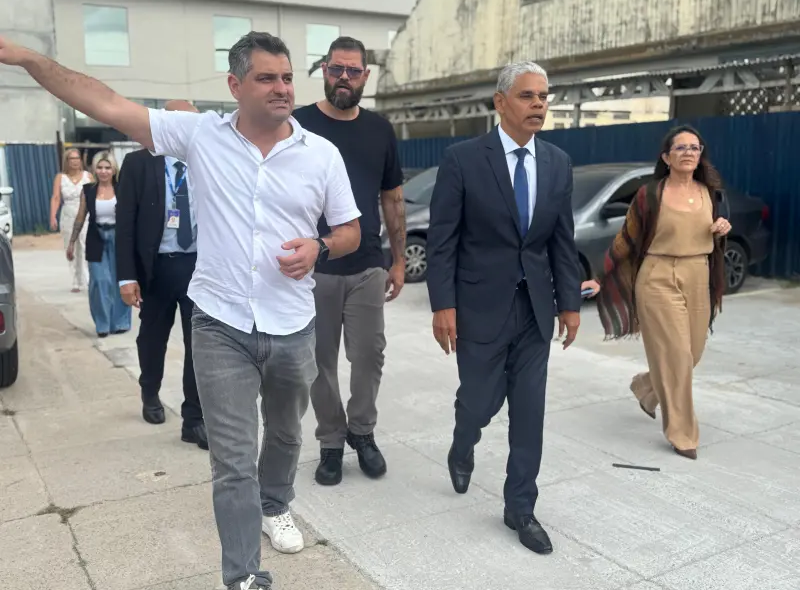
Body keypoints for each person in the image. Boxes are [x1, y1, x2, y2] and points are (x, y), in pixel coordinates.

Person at [0, 32, 362, 590]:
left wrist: (320, 247)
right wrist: (27, 58)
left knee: (287, 436)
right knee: (232, 459)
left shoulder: (321, 154)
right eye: (266, 78)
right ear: (235, 85)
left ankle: (275, 505)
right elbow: (104, 101)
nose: (282, 88)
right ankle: (242, 576)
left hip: (292, 325)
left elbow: (350, 231)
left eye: (288, 77)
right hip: (220, 324)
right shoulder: (201, 135)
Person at [426, 61, 583, 555]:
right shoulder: (463, 159)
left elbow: (562, 240)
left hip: (535, 308)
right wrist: (443, 304)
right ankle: (463, 441)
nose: (538, 104)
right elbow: (443, 241)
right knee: (480, 401)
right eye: (527, 96)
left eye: (544, 96)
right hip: (479, 305)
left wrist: (570, 302)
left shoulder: (557, 162)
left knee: (529, 411)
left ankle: (520, 507)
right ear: (500, 102)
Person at [293, 36, 406, 486]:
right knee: (319, 362)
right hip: (314, 267)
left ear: (365, 76)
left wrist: (398, 261)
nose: (344, 77)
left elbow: (392, 199)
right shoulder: (298, 124)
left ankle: (362, 430)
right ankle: (331, 442)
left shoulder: (380, 130)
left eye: (353, 71)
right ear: (324, 70)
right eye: (337, 69)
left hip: (366, 266)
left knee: (369, 356)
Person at [593, 125, 731, 461]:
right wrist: (600, 276)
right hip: (657, 276)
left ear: (701, 155)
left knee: (692, 353)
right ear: (666, 157)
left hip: (697, 274)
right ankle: (682, 433)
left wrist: (721, 229)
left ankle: (646, 386)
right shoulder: (650, 194)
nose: (688, 153)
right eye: (680, 148)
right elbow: (626, 238)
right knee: (676, 356)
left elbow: (714, 233)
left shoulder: (710, 192)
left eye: (694, 147)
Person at [116, 100, 207, 450]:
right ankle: (150, 391)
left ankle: (194, 419)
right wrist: (127, 277)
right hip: (156, 268)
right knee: (152, 339)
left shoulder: (207, 161)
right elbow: (125, 224)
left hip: (199, 266)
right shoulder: (139, 163)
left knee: (200, 344)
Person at [67, 152, 132, 337]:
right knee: (99, 281)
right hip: (97, 238)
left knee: (120, 281)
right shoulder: (88, 190)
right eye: (100, 167)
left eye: (107, 167)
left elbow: (132, 216)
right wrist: (72, 242)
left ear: (114, 170)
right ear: (94, 170)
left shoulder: (122, 189)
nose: (103, 171)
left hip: (119, 239)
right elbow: (80, 217)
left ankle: (120, 322)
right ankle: (102, 324)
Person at [51, 147, 92, 292]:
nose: (75, 161)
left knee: (85, 245)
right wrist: (52, 216)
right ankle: (75, 280)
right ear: (66, 161)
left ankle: (87, 278)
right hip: (68, 214)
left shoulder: (88, 176)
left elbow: (94, 195)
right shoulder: (60, 177)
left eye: (77, 158)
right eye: (71, 159)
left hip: (85, 215)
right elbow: (56, 197)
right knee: (71, 246)